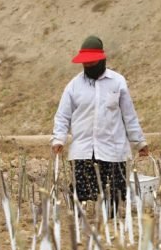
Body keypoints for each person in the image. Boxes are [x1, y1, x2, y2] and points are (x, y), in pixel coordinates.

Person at [52, 35, 149, 214]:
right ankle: (79, 222)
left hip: (113, 147)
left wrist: (139, 143)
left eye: (91, 63)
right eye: (85, 64)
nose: (88, 67)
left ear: (101, 60)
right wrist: (59, 139)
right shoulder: (73, 86)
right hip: (84, 147)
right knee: (81, 190)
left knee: (114, 192)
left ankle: (111, 220)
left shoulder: (118, 82)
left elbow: (129, 115)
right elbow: (63, 115)